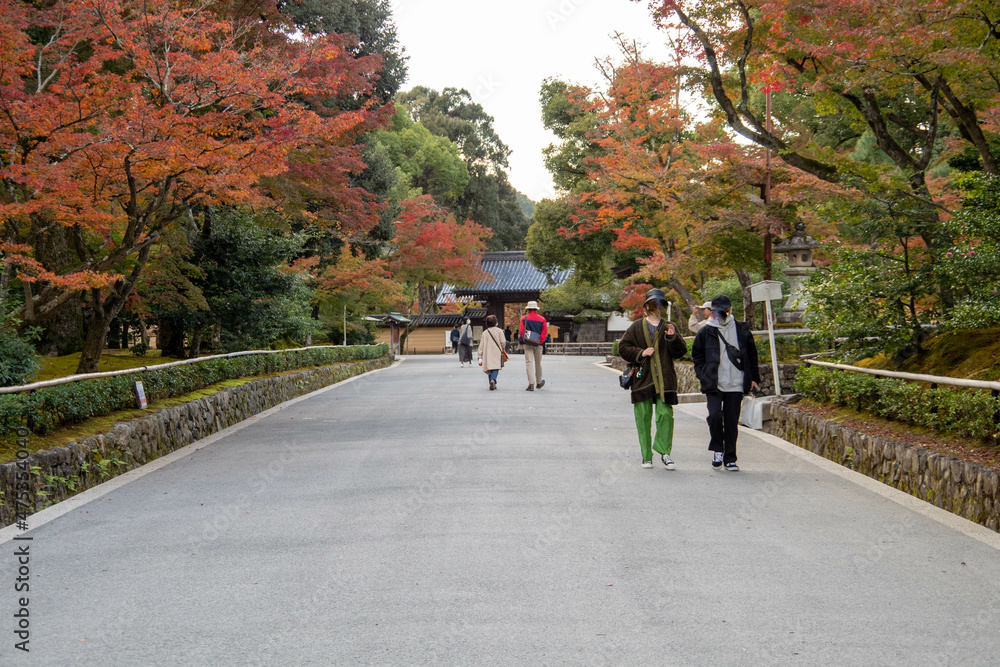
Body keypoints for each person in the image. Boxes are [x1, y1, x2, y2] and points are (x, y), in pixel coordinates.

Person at [618, 288, 688, 469]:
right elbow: (623, 348)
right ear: (646, 306)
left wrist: (673, 338)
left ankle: (665, 452)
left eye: (659, 303)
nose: (656, 306)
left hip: (665, 379)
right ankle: (646, 456)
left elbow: (681, 352)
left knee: (665, 415)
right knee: (643, 417)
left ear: (663, 306)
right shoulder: (636, 327)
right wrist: (641, 352)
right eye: (652, 303)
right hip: (643, 379)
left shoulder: (669, 326)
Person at [691, 295, 760, 472]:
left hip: (736, 383)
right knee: (714, 416)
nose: (722, 313)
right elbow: (697, 355)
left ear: (729, 310)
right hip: (714, 382)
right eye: (718, 310)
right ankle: (717, 450)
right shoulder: (706, 331)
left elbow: (752, 355)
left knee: (731, 421)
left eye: (725, 310)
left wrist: (754, 378)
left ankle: (730, 457)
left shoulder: (742, 329)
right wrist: (702, 374)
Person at [519, 301, 548, 391]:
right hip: (538, 344)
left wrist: (526, 340)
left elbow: (522, 331)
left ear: (528, 309)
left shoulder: (524, 319)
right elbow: (544, 332)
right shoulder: (542, 319)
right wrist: (540, 341)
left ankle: (531, 383)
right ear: (536, 309)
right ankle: (539, 382)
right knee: (538, 363)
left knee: (529, 363)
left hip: (528, 343)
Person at [477, 314, 507, 390]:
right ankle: (493, 380)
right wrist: (503, 348)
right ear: (495, 322)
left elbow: (481, 345)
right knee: (495, 367)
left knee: (489, 367)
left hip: (487, 352)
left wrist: (479, 356)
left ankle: (491, 382)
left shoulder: (485, 333)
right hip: (497, 351)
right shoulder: (499, 331)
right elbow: (503, 341)